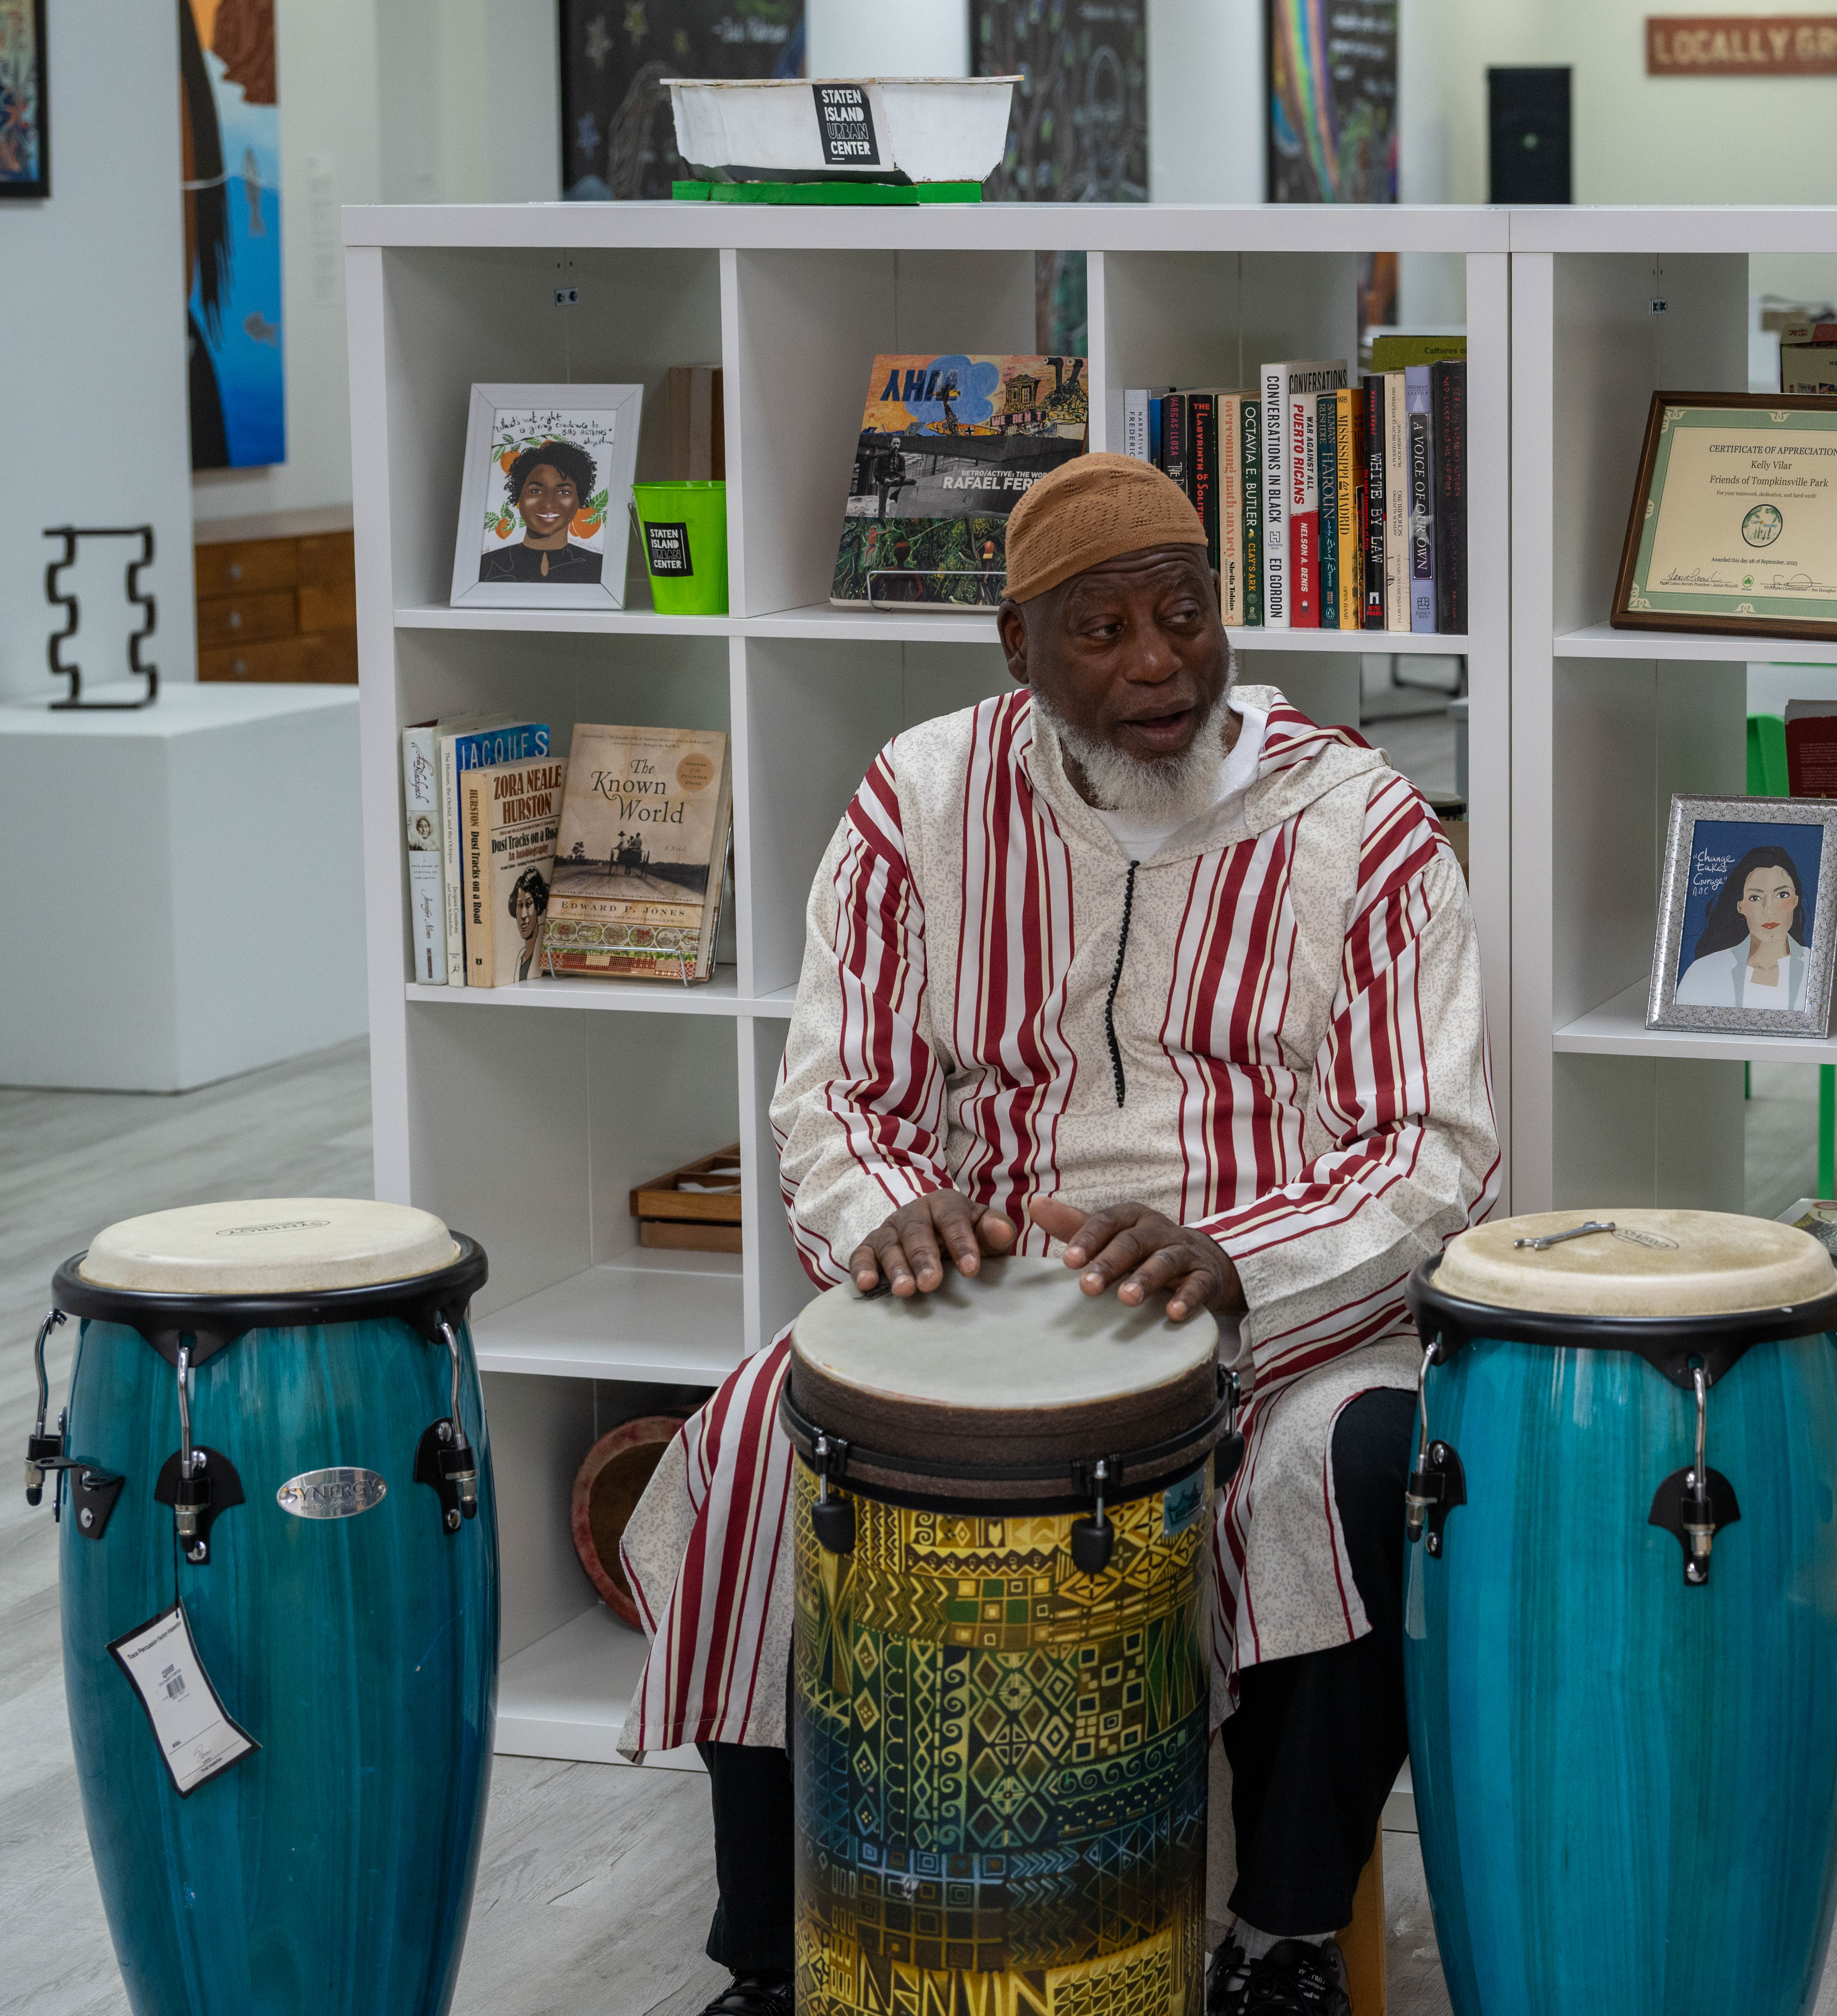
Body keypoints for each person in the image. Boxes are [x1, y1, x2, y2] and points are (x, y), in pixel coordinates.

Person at [619, 454, 1501, 2016]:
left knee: (1361, 1465)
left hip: (1278, 1291)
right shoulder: (920, 801)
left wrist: (1243, 1270)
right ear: (1016, 652)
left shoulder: (1359, 823)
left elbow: (1429, 1151)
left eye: (1185, 614)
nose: (1157, 661)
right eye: (1100, 630)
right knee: (763, 1425)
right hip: (991, 1282)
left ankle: (1284, 1938)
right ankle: (770, 1955)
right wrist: (897, 1221)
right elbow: (834, 1095)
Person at [1672, 845, 1816, 1010]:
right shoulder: (1703, 971)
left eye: (1782, 895)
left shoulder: (1815, 968)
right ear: (1740, 906)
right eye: (1755, 897)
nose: (1768, 910)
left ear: (1795, 901)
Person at [478, 438, 604, 584]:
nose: (548, 504)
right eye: (536, 491)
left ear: (580, 499)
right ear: (519, 496)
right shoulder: (487, 566)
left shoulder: (598, 568)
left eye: (564, 492)